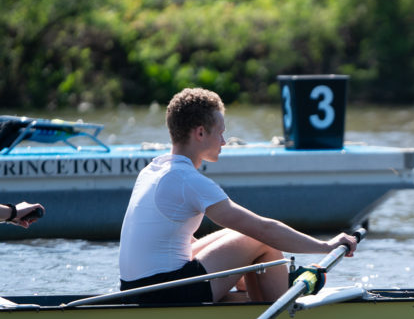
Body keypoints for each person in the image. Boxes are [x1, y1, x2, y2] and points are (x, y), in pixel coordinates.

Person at [118, 87, 359, 304]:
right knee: (258, 238)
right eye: (220, 133)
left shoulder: (152, 170)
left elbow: (168, 239)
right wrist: (325, 246)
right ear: (200, 133)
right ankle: (283, 309)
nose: (224, 141)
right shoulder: (188, 180)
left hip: (133, 289)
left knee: (237, 235)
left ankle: (265, 288)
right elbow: (263, 230)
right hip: (163, 293)